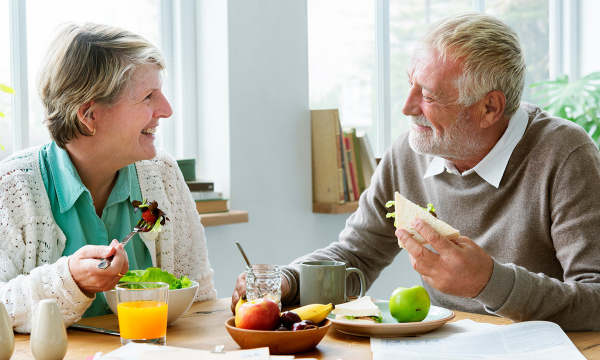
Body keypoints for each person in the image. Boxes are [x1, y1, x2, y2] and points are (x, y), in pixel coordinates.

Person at [232, 12, 600, 331]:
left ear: (490, 107)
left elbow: (596, 298)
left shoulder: (565, 153)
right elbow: (356, 255)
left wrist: (488, 282)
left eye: (428, 94)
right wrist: (288, 279)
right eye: (411, 84)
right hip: (443, 344)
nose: (407, 107)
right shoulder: (409, 151)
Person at [0, 23, 216, 333]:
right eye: (148, 97)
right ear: (89, 116)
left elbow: (200, 303)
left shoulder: (163, 175)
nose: (166, 110)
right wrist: (71, 280)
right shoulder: (12, 187)